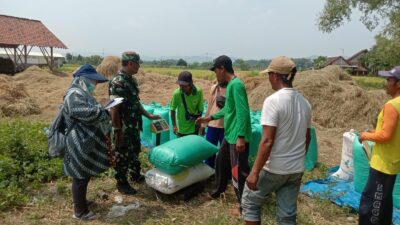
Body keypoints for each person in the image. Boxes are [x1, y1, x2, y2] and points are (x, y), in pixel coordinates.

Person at [241, 56, 312, 225]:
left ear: (275, 75)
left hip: (274, 169)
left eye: (269, 75)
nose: (269, 79)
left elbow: (267, 140)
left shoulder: (273, 101)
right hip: (295, 169)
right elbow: (307, 138)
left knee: (250, 202)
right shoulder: (305, 103)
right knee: (287, 215)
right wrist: (297, 161)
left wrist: (254, 172)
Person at [196, 55, 251, 215]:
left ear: (222, 68)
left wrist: (241, 136)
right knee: (220, 161)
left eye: (216, 71)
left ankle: (244, 207)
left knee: (238, 171)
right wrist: (209, 118)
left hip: (237, 136)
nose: (216, 75)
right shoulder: (232, 85)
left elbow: (242, 112)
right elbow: (228, 109)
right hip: (231, 134)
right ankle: (218, 191)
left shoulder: (237, 85)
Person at [62, 64, 111, 220]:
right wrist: (103, 108)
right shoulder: (74, 94)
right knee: (80, 176)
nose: (95, 85)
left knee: (84, 174)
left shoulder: (83, 94)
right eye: (93, 81)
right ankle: (80, 211)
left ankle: (81, 201)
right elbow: (86, 113)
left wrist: (102, 107)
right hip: (78, 140)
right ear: (83, 80)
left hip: (85, 140)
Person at [109, 51, 160, 195]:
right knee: (122, 153)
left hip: (133, 125)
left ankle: (135, 175)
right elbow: (114, 109)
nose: (139, 67)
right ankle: (122, 182)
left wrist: (148, 115)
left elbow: (136, 103)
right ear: (131, 63)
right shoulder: (117, 82)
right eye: (137, 64)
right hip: (123, 127)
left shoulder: (131, 80)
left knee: (134, 151)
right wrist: (118, 131)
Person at [358, 66, 400, 225]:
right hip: (393, 162)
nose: (386, 82)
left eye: (389, 79)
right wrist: (374, 131)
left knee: (372, 204)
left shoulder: (392, 105)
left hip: (383, 164)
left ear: (398, 84)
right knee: (384, 203)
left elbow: (385, 135)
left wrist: (365, 135)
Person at [170, 71, 204, 137]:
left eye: (184, 86)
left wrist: (198, 124)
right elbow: (172, 109)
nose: (181, 88)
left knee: (193, 146)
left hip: (194, 128)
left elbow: (200, 110)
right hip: (181, 129)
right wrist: (174, 125)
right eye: (180, 85)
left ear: (191, 83)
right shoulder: (177, 94)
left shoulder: (198, 92)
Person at [201, 81, 226, 168]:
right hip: (212, 125)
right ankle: (209, 172)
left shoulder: (232, 88)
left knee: (225, 153)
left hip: (226, 127)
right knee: (210, 151)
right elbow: (209, 106)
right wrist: (204, 125)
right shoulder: (214, 88)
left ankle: (224, 174)